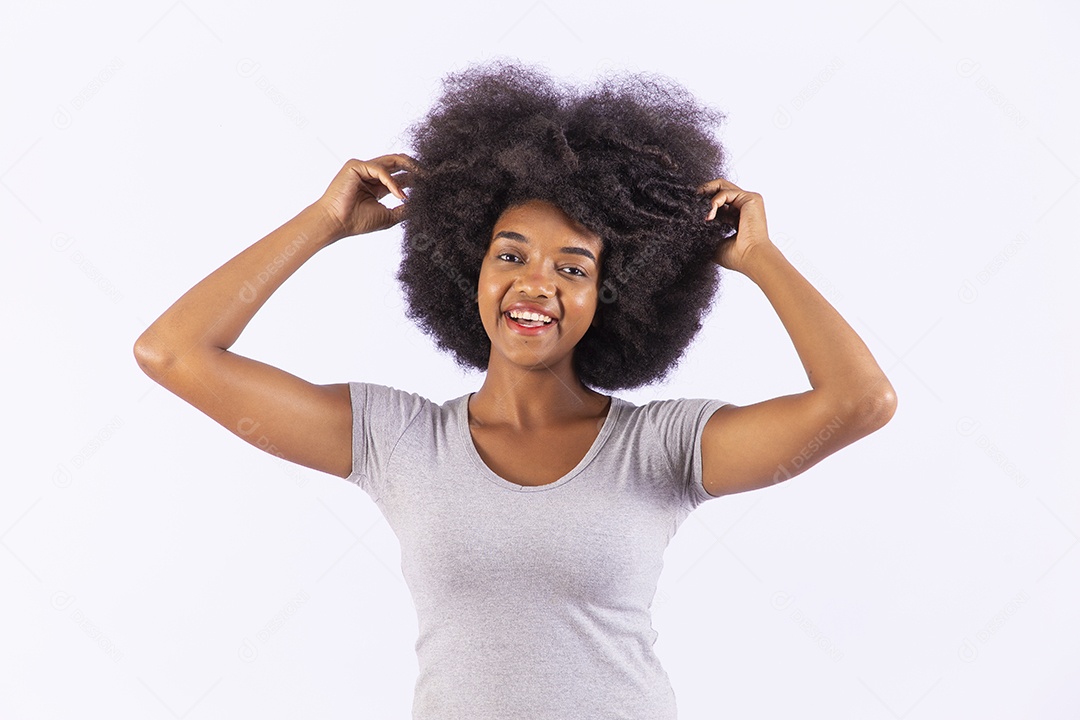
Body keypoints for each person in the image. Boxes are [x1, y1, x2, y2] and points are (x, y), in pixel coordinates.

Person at [134, 61, 896, 719]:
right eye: (511, 254)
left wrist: (760, 258)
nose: (537, 285)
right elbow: (174, 353)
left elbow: (859, 403)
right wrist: (324, 221)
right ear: (470, 269)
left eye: (573, 268)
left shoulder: (660, 447)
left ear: (612, 297)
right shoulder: (397, 440)